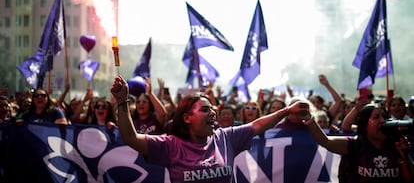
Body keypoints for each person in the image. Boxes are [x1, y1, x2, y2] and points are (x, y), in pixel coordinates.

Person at [110, 75, 304, 183]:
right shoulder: (170, 145)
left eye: (212, 108)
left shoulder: (226, 137)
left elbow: (257, 125)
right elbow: (131, 138)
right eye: (205, 109)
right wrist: (122, 101)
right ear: (187, 117)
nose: (213, 113)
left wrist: (287, 110)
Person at [301, 99, 414, 183]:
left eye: (384, 117)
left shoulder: (395, 146)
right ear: (364, 125)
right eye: (376, 117)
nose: (382, 121)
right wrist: (308, 118)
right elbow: (325, 141)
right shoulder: (354, 145)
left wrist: (404, 157)